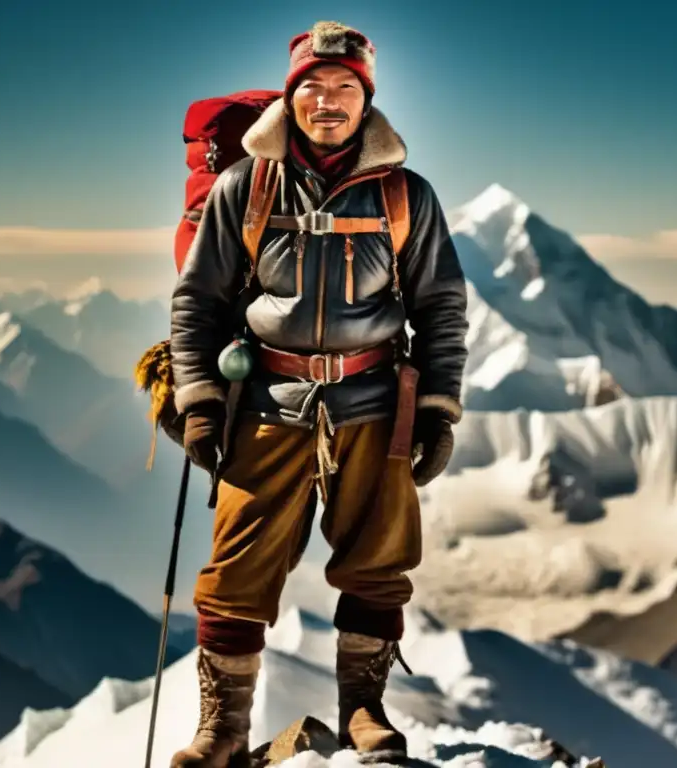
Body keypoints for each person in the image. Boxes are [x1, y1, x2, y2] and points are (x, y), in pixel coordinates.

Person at [167, 20, 468, 767]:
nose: (327, 100)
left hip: (374, 401)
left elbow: (442, 307)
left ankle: (363, 712)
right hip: (268, 397)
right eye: (313, 85)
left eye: (344, 87)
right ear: (291, 94)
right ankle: (223, 730)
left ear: (366, 99)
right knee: (238, 564)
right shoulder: (246, 186)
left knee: (378, 559)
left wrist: (437, 407)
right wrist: (200, 395)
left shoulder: (406, 196)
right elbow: (197, 300)